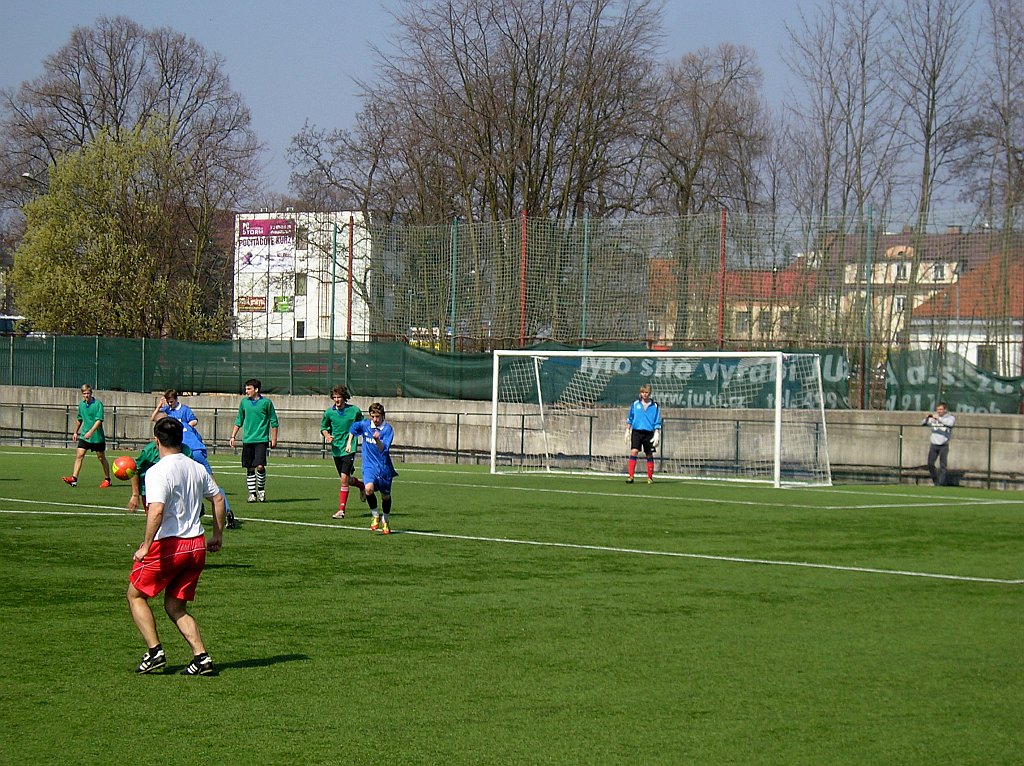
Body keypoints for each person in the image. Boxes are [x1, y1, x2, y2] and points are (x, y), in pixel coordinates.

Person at [126, 417, 225, 676]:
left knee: (135, 595)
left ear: (156, 441)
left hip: (171, 545)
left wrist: (146, 546)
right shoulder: (197, 468)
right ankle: (201, 657)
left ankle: (154, 651)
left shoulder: (158, 471)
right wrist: (217, 535)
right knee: (175, 606)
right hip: (197, 546)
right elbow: (217, 498)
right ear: (181, 439)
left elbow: (157, 511)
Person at [153, 390, 235, 528]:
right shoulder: (185, 425)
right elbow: (199, 439)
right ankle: (226, 510)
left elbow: (175, 444)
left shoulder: (171, 431)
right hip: (199, 452)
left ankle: (197, 507)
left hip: (187, 453)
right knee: (214, 486)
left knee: (182, 484)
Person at [349, 402, 398, 534]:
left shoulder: (387, 430)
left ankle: (385, 519)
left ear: (383, 416)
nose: (375, 420)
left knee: (385, 496)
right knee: (368, 489)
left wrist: (377, 440)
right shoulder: (366, 425)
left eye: (377, 417)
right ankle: (375, 515)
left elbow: (383, 450)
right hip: (369, 465)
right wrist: (349, 443)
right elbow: (353, 428)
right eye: (373, 416)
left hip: (383, 467)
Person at [229, 378, 279, 503]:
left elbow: (274, 421)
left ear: (256, 390)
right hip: (248, 440)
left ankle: (261, 490)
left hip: (261, 439)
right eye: (246, 389)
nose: (246, 391)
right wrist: (233, 436)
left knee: (260, 466)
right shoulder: (244, 403)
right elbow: (239, 420)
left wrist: (274, 438)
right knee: (249, 467)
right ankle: (252, 494)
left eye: (249, 389)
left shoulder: (266, 403)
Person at [320, 384, 364, 519]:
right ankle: (361, 485)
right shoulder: (329, 413)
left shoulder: (354, 411)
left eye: (339, 397)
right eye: (334, 397)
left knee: (344, 479)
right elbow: (323, 428)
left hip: (349, 449)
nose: (336, 400)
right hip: (336, 450)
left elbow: (363, 425)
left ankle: (341, 510)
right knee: (347, 480)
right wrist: (327, 436)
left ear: (344, 397)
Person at [62, 384, 112, 488]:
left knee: (101, 458)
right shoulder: (81, 405)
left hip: (97, 437)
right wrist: (75, 432)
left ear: (91, 393)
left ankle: (107, 479)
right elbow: (79, 419)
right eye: (84, 393)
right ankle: (74, 479)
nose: (86, 395)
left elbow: (99, 420)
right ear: (82, 394)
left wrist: (91, 432)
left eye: (88, 393)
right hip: (84, 436)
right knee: (79, 456)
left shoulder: (98, 404)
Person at [625, 383, 662, 484]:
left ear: (649, 393)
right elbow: (630, 417)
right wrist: (627, 430)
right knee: (634, 451)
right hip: (637, 431)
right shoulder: (635, 404)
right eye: (642, 392)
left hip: (649, 433)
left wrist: (657, 432)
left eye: (646, 392)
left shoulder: (655, 406)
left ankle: (650, 477)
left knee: (649, 454)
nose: (644, 394)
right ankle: (631, 476)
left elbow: (657, 420)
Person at [922, 401, 956, 486]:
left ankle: (941, 483)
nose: (939, 411)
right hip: (934, 444)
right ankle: (936, 481)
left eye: (941, 409)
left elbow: (950, 424)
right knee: (930, 464)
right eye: (938, 409)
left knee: (943, 465)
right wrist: (927, 418)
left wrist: (938, 419)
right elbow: (922, 423)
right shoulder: (934, 417)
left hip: (944, 444)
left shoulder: (950, 418)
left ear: (945, 410)